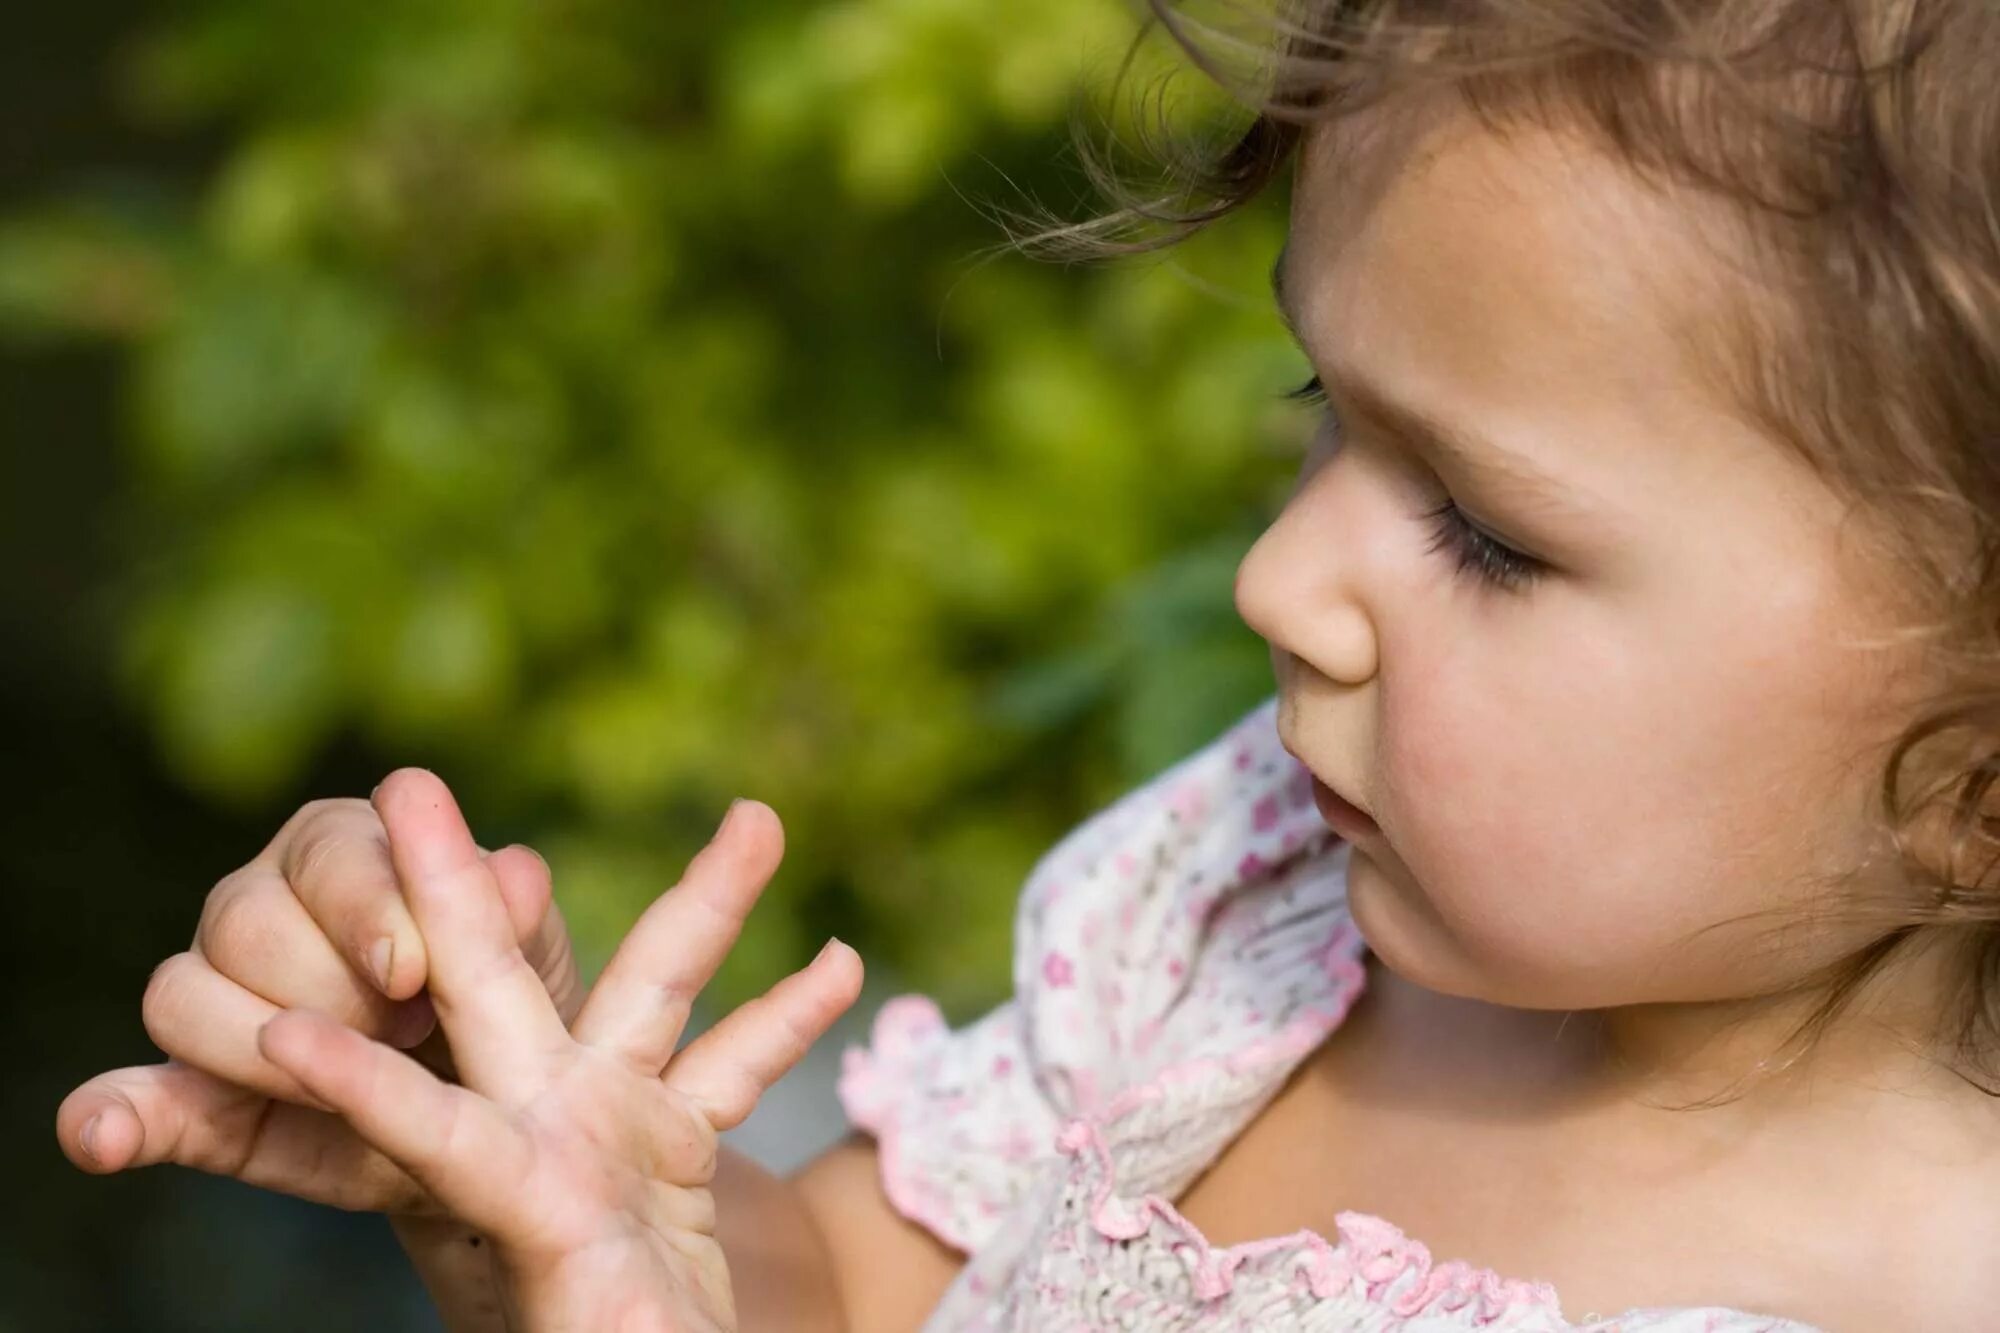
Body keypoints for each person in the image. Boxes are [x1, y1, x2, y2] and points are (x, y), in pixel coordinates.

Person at [57, 0, 2000, 1327]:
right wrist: (600, 1225)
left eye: (1487, 533)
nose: (1279, 581)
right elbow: (870, 1277)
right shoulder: (1253, 910)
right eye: (1324, 409)